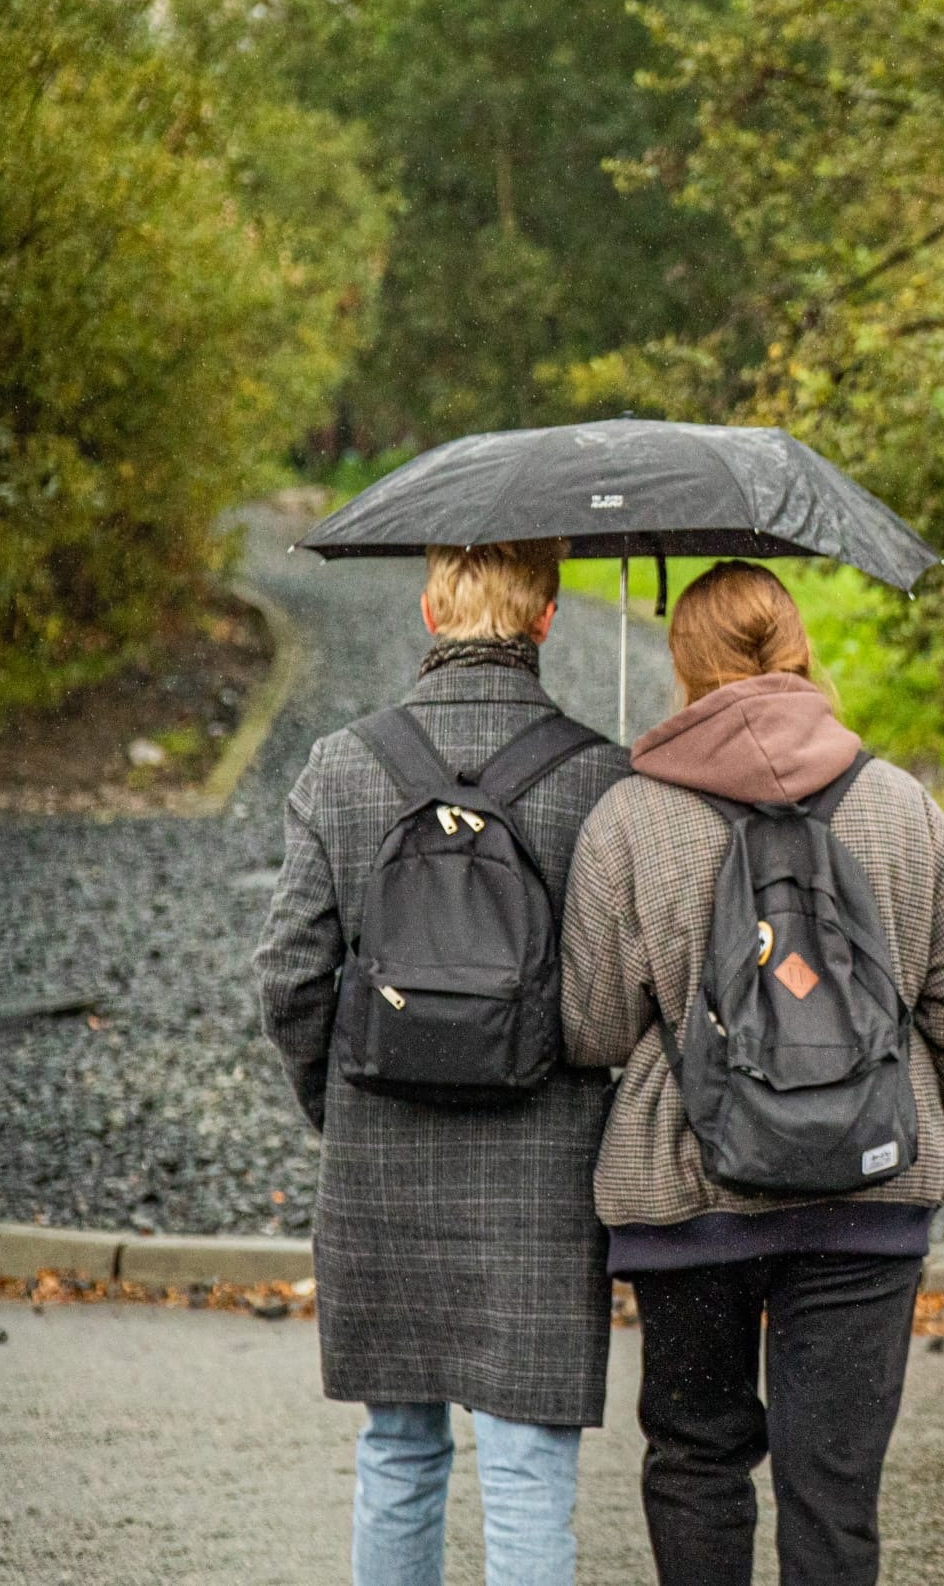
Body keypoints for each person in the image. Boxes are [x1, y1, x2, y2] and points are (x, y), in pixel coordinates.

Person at [558, 560, 944, 1586]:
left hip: (687, 1201)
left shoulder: (628, 818)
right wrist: (892, 1087)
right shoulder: (900, 805)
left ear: (684, 665)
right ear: (799, 647)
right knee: (833, 1490)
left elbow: (590, 1026)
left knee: (696, 1457)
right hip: (868, 1200)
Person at [253, 538, 630, 1586]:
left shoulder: (342, 763)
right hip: (541, 1171)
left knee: (398, 1447)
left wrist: (336, 1100)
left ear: (428, 609)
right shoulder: (601, 772)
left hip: (382, 1159)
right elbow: (610, 1001)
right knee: (525, 1465)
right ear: (548, 619)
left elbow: (288, 971)